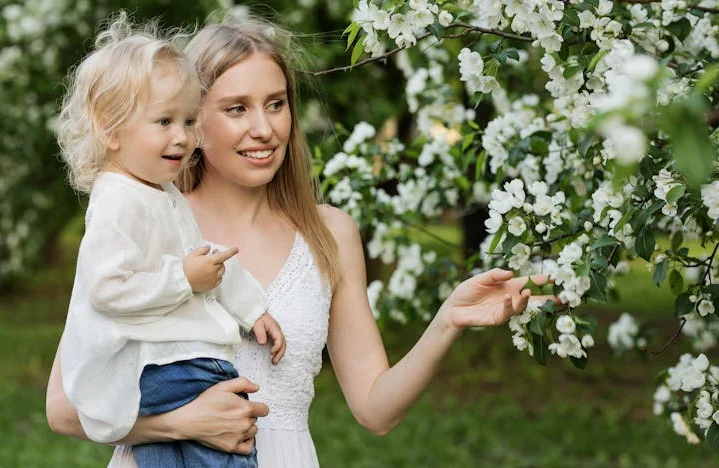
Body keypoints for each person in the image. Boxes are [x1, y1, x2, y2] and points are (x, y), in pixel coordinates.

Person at [46, 14, 555, 468]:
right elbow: (64, 408)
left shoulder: (329, 232)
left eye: (276, 104)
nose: (264, 128)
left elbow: (376, 410)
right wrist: (180, 424)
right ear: (193, 116)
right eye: (237, 109)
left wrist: (448, 320)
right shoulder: (145, 216)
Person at [54, 13, 285, 468]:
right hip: (165, 367)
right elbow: (108, 288)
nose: (182, 137)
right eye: (163, 121)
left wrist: (251, 306)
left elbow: (207, 260)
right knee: (227, 440)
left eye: (187, 120)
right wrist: (182, 279)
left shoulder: (158, 191)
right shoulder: (119, 200)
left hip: (159, 368)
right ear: (109, 128)